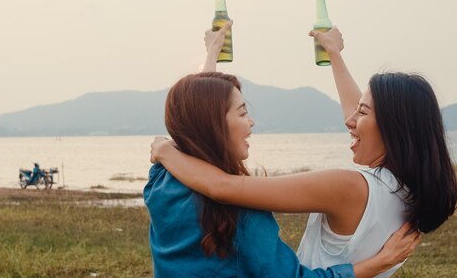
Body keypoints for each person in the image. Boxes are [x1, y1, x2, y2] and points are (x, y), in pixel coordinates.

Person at [144, 21, 420, 278]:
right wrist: (378, 264)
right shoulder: (242, 214)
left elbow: (197, 118)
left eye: (363, 112)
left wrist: (167, 150)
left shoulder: (162, 179)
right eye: (242, 113)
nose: (251, 121)